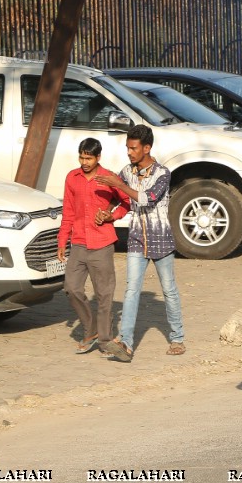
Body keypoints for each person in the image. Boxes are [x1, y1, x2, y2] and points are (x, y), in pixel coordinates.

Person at [98, 126, 184, 363]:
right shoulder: (127, 171)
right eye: (127, 147)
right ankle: (125, 342)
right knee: (131, 289)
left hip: (161, 239)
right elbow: (117, 196)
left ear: (147, 148)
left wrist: (118, 183)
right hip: (136, 238)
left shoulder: (162, 174)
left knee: (169, 289)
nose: (129, 152)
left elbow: (147, 199)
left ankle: (177, 338)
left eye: (133, 148)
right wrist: (108, 212)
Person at [58, 138, 130, 355]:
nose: (84, 162)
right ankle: (91, 329)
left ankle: (105, 339)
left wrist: (112, 216)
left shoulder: (109, 178)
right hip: (78, 242)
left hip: (102, 243)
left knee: (104, 294)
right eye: (81, 157)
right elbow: (68, 211)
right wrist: (62, 240)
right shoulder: (72, 177)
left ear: (98, 157)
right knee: (71, 288)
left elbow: (127, 202)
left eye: (88, 158)